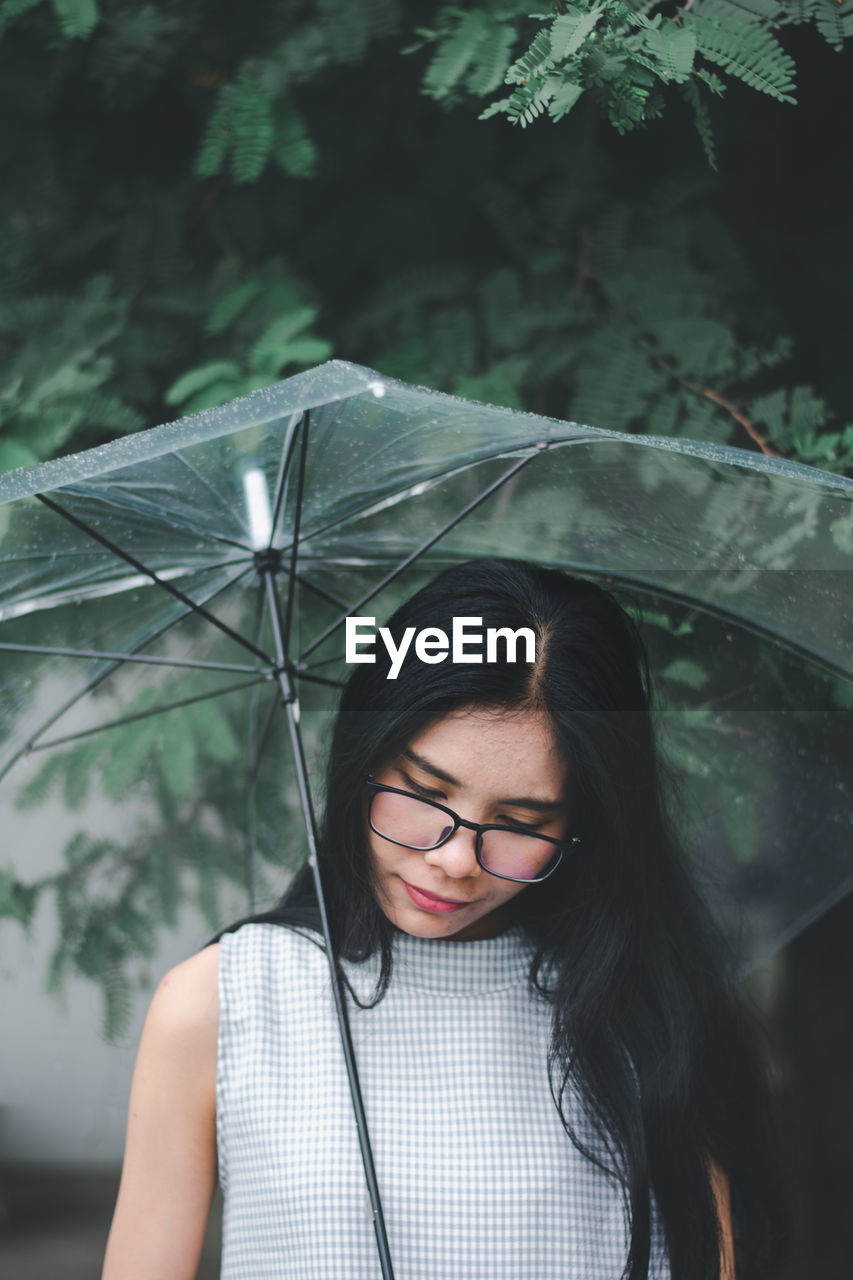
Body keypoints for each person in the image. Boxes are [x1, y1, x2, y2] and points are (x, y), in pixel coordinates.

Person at [101, 559, 786, 1280]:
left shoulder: (648, 1006)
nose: (456, 860)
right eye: (426, 793)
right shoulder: (222, 1002)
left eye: (521, 820)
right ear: (364, 755)